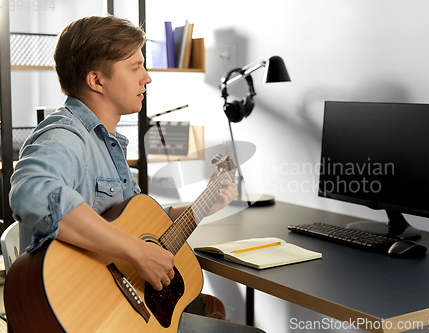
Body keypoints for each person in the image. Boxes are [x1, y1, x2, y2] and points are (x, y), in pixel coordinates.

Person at [9, 15, 264, 333]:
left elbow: (142, 226)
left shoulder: (109, 143)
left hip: (122, 309)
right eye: (135, 67)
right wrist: (136, 251)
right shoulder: (65, 134)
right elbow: (31, 192)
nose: (147, 78)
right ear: (97, 81)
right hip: (89, 311)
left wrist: (202, 207)